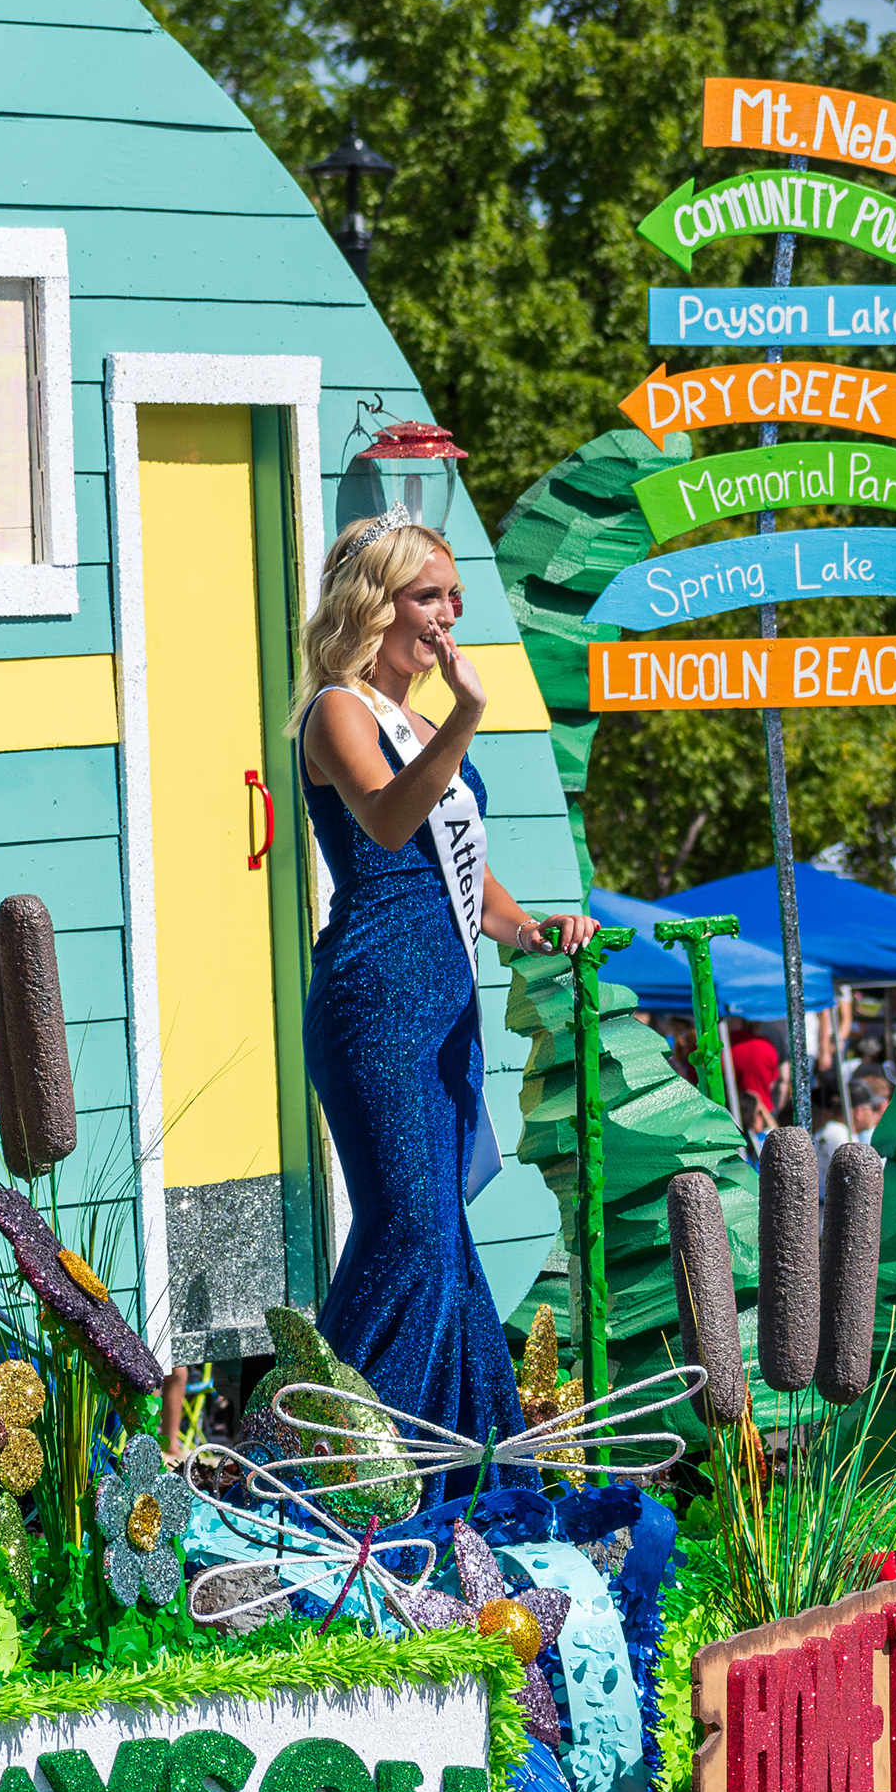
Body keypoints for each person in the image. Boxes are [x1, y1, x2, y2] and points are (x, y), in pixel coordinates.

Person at [287, 518, 588, 1447]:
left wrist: (533, 927)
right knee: (409, 1232)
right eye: (429, 596)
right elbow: (386, 823)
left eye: (454, 596)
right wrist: (464, 717)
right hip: (374, 998)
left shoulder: (422, 726)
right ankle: (318, 1462)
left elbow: (466, 879)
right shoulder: (337, 710)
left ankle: (457, 1474)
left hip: (445, 1006)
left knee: (446, 1245)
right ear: (374, 605)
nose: (448, 614)